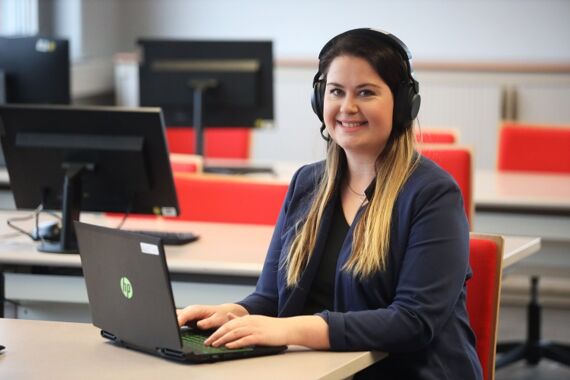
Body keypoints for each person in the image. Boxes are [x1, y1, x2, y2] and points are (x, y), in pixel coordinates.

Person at [177, 28, 482, 380]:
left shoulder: (432, 194)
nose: (347, 107)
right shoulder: (308, 184)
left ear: (402, 104)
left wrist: (292, 330)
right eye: (336, 91)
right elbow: (273, 298)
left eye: (366, 92)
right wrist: (233, 313)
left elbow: (413, 321)